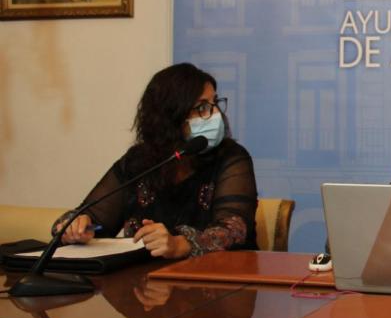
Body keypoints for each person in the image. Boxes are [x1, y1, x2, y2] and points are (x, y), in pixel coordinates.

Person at [55, 63, 258, 258]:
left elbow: (234, 229)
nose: (215, 114)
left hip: (214, 283)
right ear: (171, 116)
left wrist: (181, 244)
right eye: (202, 107)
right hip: (143, 282)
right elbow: (95, 219)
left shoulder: (230, 157)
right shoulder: (137, 162)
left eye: (215, 104)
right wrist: (78, 226)